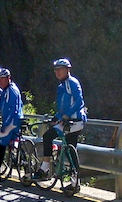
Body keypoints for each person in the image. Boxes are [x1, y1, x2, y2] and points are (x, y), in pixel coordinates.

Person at [30, 58, 88, 193]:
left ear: (68, 70)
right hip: (66, 120)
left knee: (57, 141)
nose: (57, 72)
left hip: (75, 120)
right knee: (58, 141)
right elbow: (62, 107)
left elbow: (79, 101)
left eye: (60, 69)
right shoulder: (61, 86)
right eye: (56, 70)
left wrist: (66, 116)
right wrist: (56, 117)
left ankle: (47, 170)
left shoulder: (72, 82)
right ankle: (72, 181)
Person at [0, 67, 24, 184]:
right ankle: (23, 165)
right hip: (14, 121)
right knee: (11, 144)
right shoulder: (6, 91)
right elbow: (3, 106)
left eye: (2, 79)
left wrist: (5, 125)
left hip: (12, 122)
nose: (0, 82)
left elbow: (13, 110)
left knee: (1, 145)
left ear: (8, 78)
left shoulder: (11, 91)